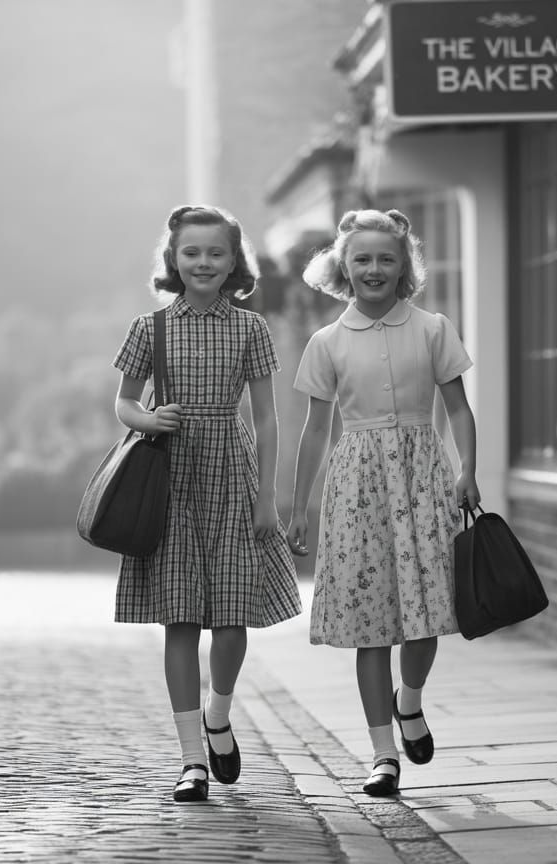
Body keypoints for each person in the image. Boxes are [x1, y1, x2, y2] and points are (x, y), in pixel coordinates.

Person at [111, 204, 302, 803]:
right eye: (191, 252)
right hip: (170, 480)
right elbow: (123, 403)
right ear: (173, 259)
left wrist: (268, 496)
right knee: (180, 618)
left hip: (233, 475)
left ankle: (219, 713)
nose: (203, 262)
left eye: (216, 253)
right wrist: (149, 418)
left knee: (232, 615)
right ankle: (192, 759)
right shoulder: (149, 328)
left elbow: (267, 418)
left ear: (233, 260)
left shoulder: (251, 328)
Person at [287, 208, 480, 797]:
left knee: (428, 613)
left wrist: (468, 469)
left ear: (404, 267)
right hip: (357, 487)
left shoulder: (433, 329)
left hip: (423, 477)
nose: (374, 268)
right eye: (362, 259)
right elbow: (315, 431)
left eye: (386, 259)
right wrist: (299, 506)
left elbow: (458, 408)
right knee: (370, 626)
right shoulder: (327, 342)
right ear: (343, 268)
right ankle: (382, 755)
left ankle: (410, 700)